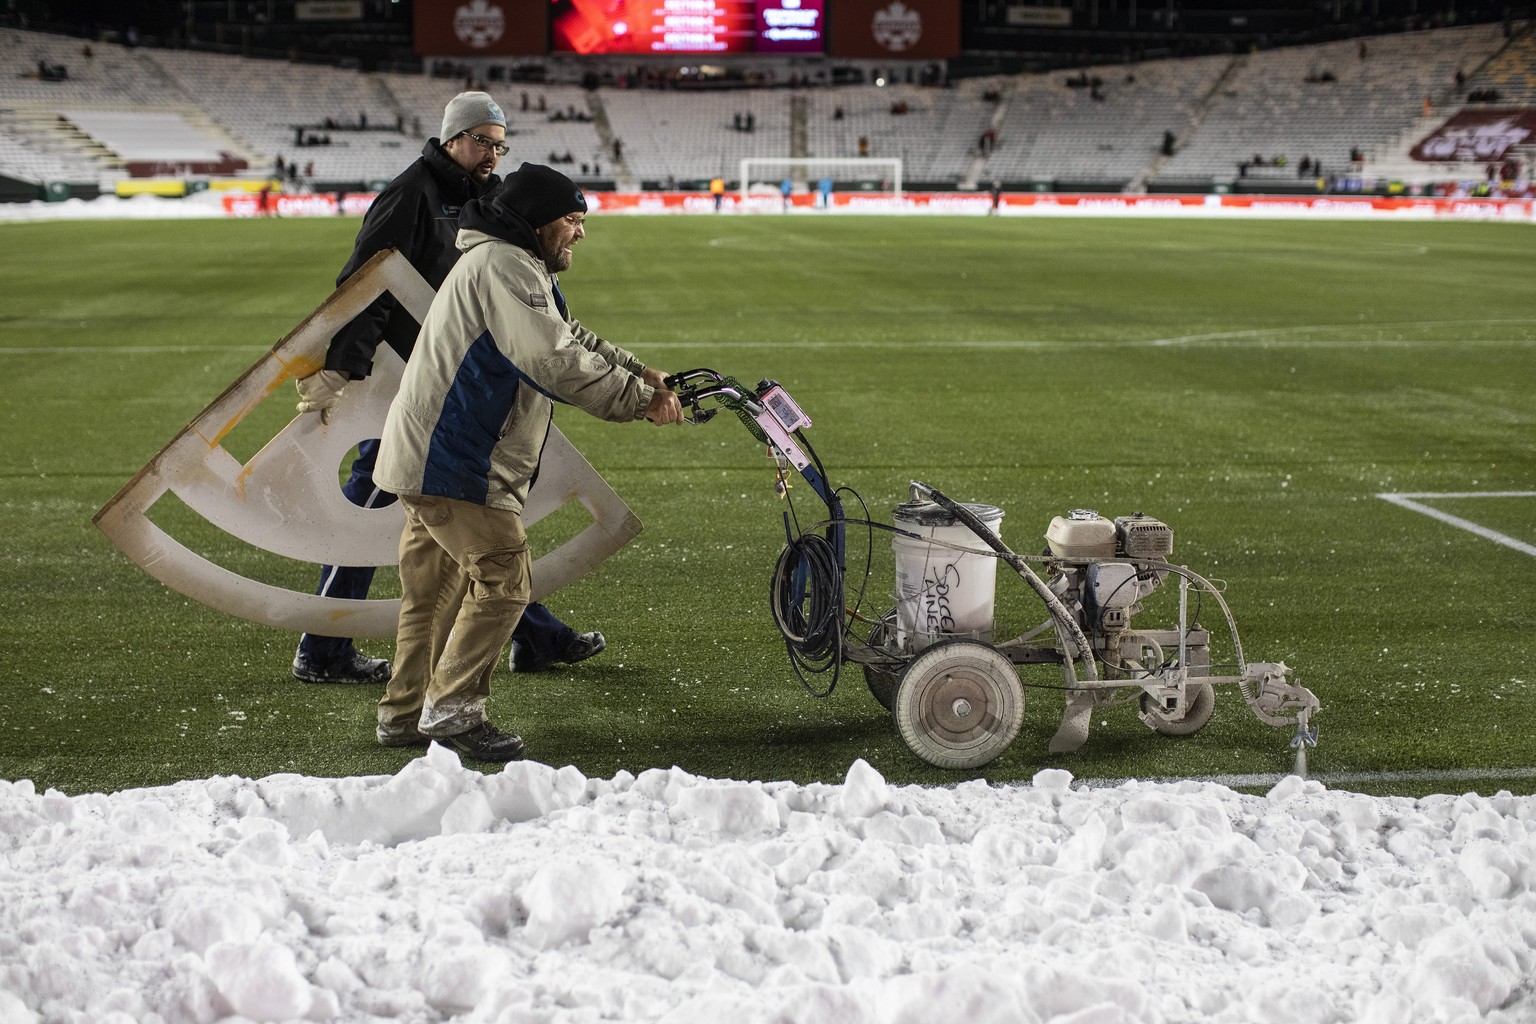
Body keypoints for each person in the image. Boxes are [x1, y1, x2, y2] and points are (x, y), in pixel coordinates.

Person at [371, 163, 684, 760]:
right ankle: (454, 710)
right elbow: (554, 358)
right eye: (572, 220)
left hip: (428, 454)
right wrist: (642, 401)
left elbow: (566, 333)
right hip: (453, 461)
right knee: (505, 580)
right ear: (537, 222)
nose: (581, 233)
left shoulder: (507, 262)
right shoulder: (504, 266)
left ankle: (404, 715)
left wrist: (640, 370)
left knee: (432, 596)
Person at [291, 92, 604, 685]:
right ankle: (323, 645)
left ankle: (532, 635)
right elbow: (365, 282)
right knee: (382, 491)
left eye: (500, 143)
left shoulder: (486, 195)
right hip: (407, 371)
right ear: (453, 137)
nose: (493, 153)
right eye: (483, 141)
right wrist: (342, 367)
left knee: (473, 502)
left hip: (461, 373)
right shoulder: (410, 193)